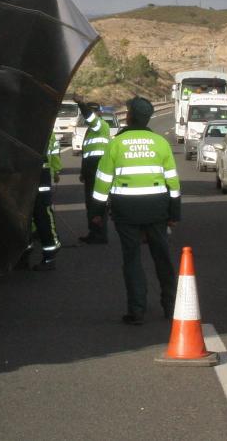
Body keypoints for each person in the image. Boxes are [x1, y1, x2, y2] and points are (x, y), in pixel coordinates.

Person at [90, 97, 180, 325]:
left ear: (129, 116)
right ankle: (171, 306)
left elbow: (102, 182)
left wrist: (97, 212)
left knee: (132, 260)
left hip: (126, 211)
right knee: (163, 258)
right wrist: (174, 214)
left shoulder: (116, 143)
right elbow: (173, 183)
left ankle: (136, 310)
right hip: (157, 209)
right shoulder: (160, 143)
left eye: (128, 111)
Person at [77, 101, 112, 245]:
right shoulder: (91, 130)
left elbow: (90, 117)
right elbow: (87, 154)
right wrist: (83, 172)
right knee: (90, 203)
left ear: (98, 113)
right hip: (90, 170)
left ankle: (100, 235)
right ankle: (93, 232)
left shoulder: (100, 125)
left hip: (98, 170)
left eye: (91, 113)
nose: (87, 117)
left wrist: (80, 103)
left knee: (98, 203)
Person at [30, 130, 63, 270]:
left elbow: (53, 154)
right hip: (38, 175)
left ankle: (50, 255)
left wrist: (55, 170)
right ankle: (25, 253)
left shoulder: (44, 132)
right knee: (34, 215)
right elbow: (55, 154)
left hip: (39, 176)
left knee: (42, 214)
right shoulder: (48, 132)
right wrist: (56, 170)